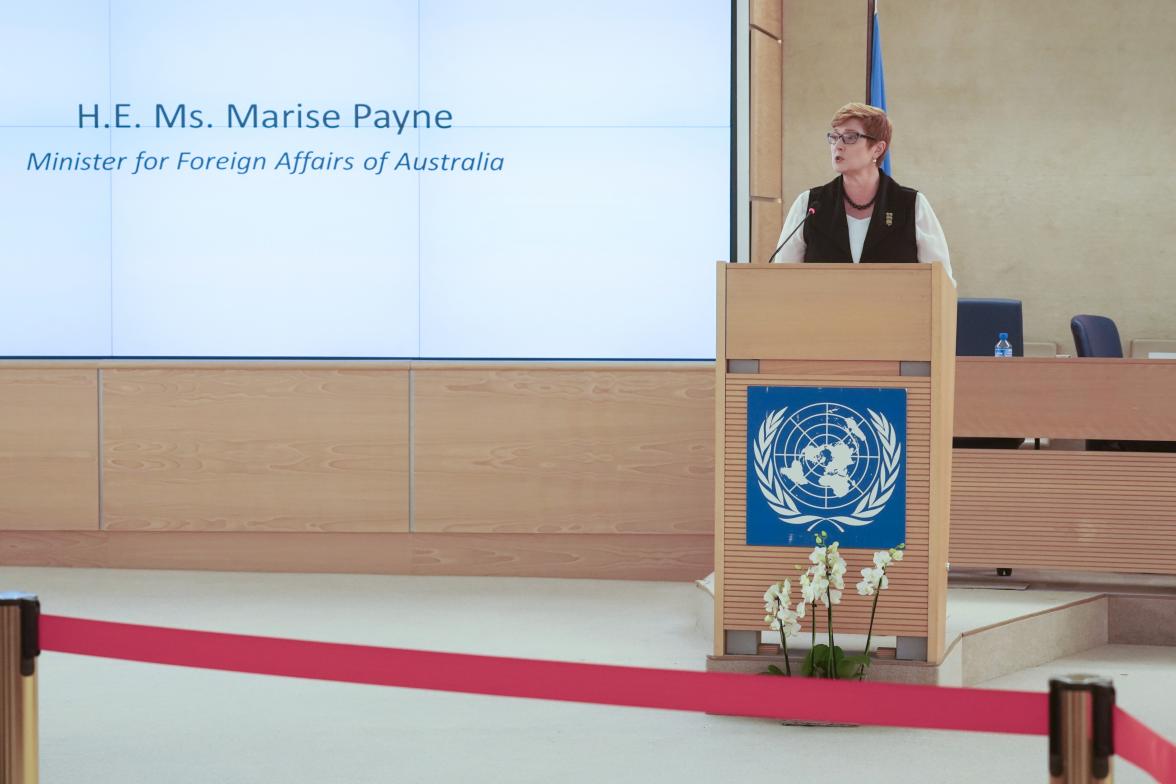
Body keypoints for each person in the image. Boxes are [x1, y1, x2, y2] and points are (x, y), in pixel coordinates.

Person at [771, 103, 954, 285]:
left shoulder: (911, 205)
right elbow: (783, 278)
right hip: (824, 313)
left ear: (877, 149)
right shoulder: (810, 204)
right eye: (835, 137)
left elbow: (942, 282)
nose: (838, 146)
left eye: (850, 137)